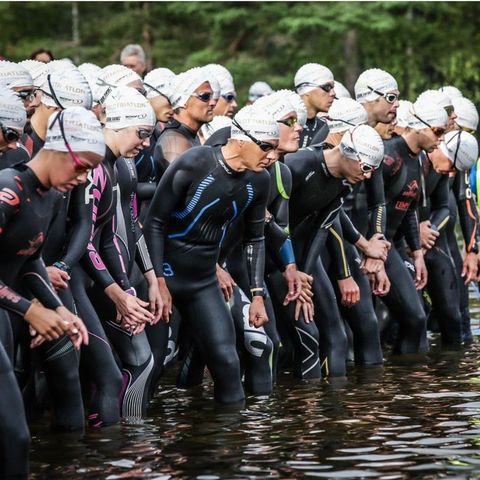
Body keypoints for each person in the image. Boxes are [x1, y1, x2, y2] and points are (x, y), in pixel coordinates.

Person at [144, 106, 279, 405]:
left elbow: (254, 239)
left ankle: (226, 447)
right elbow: (153, 223)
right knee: (153, 363)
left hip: (203, 281)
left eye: (276, 149)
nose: (273, 156)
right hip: (165, 275)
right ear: (241, 140)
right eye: (267, 147)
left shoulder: (260, 180)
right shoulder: (195, 162)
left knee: (227, 363)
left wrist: (257, 296)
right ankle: (136, 442)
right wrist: (158, 282)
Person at [0, 103, 102, 480]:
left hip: (6, 318)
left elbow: (29, 263)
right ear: (60, 150)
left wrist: (59, 309)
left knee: (16, 438)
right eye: (82, 167)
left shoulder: (52, 196)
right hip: (11, 316)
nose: (83, 178)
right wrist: (30, 311)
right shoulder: (8, 190)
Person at [294, 63, 335, 147]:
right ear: (306, 89)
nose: (333, 93)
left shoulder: (329, 127)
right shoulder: (286, 125)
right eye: (327, 87)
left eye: (333, 88)